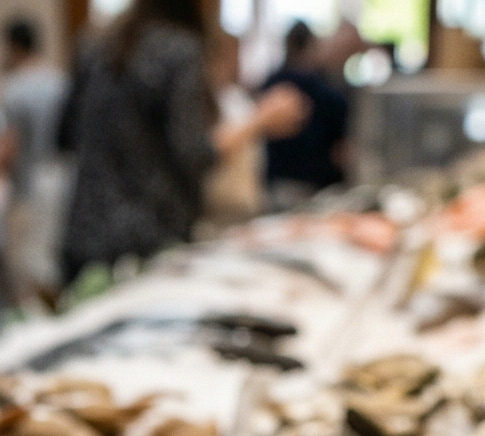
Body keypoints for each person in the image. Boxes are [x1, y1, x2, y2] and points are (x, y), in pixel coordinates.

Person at [59, 0, 305, 280]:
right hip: (146, 242)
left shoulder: (98, 46)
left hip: (84, 235)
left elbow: (66, 136)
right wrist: (259, 121)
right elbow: (194, 154)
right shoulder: (179, 50)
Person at [0, 16, 67, 303]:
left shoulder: (14, 87)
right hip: (59, 183)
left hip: (27, 190)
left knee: (26, 277)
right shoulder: (59, 81)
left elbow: (9, 148)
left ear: (12, 46)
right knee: (52, 267)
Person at [260, 20, 350, 206]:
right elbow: (342, 148)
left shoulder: (271, 83)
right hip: (319, 182)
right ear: (311, 45)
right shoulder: (327, 91)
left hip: (277, 181)